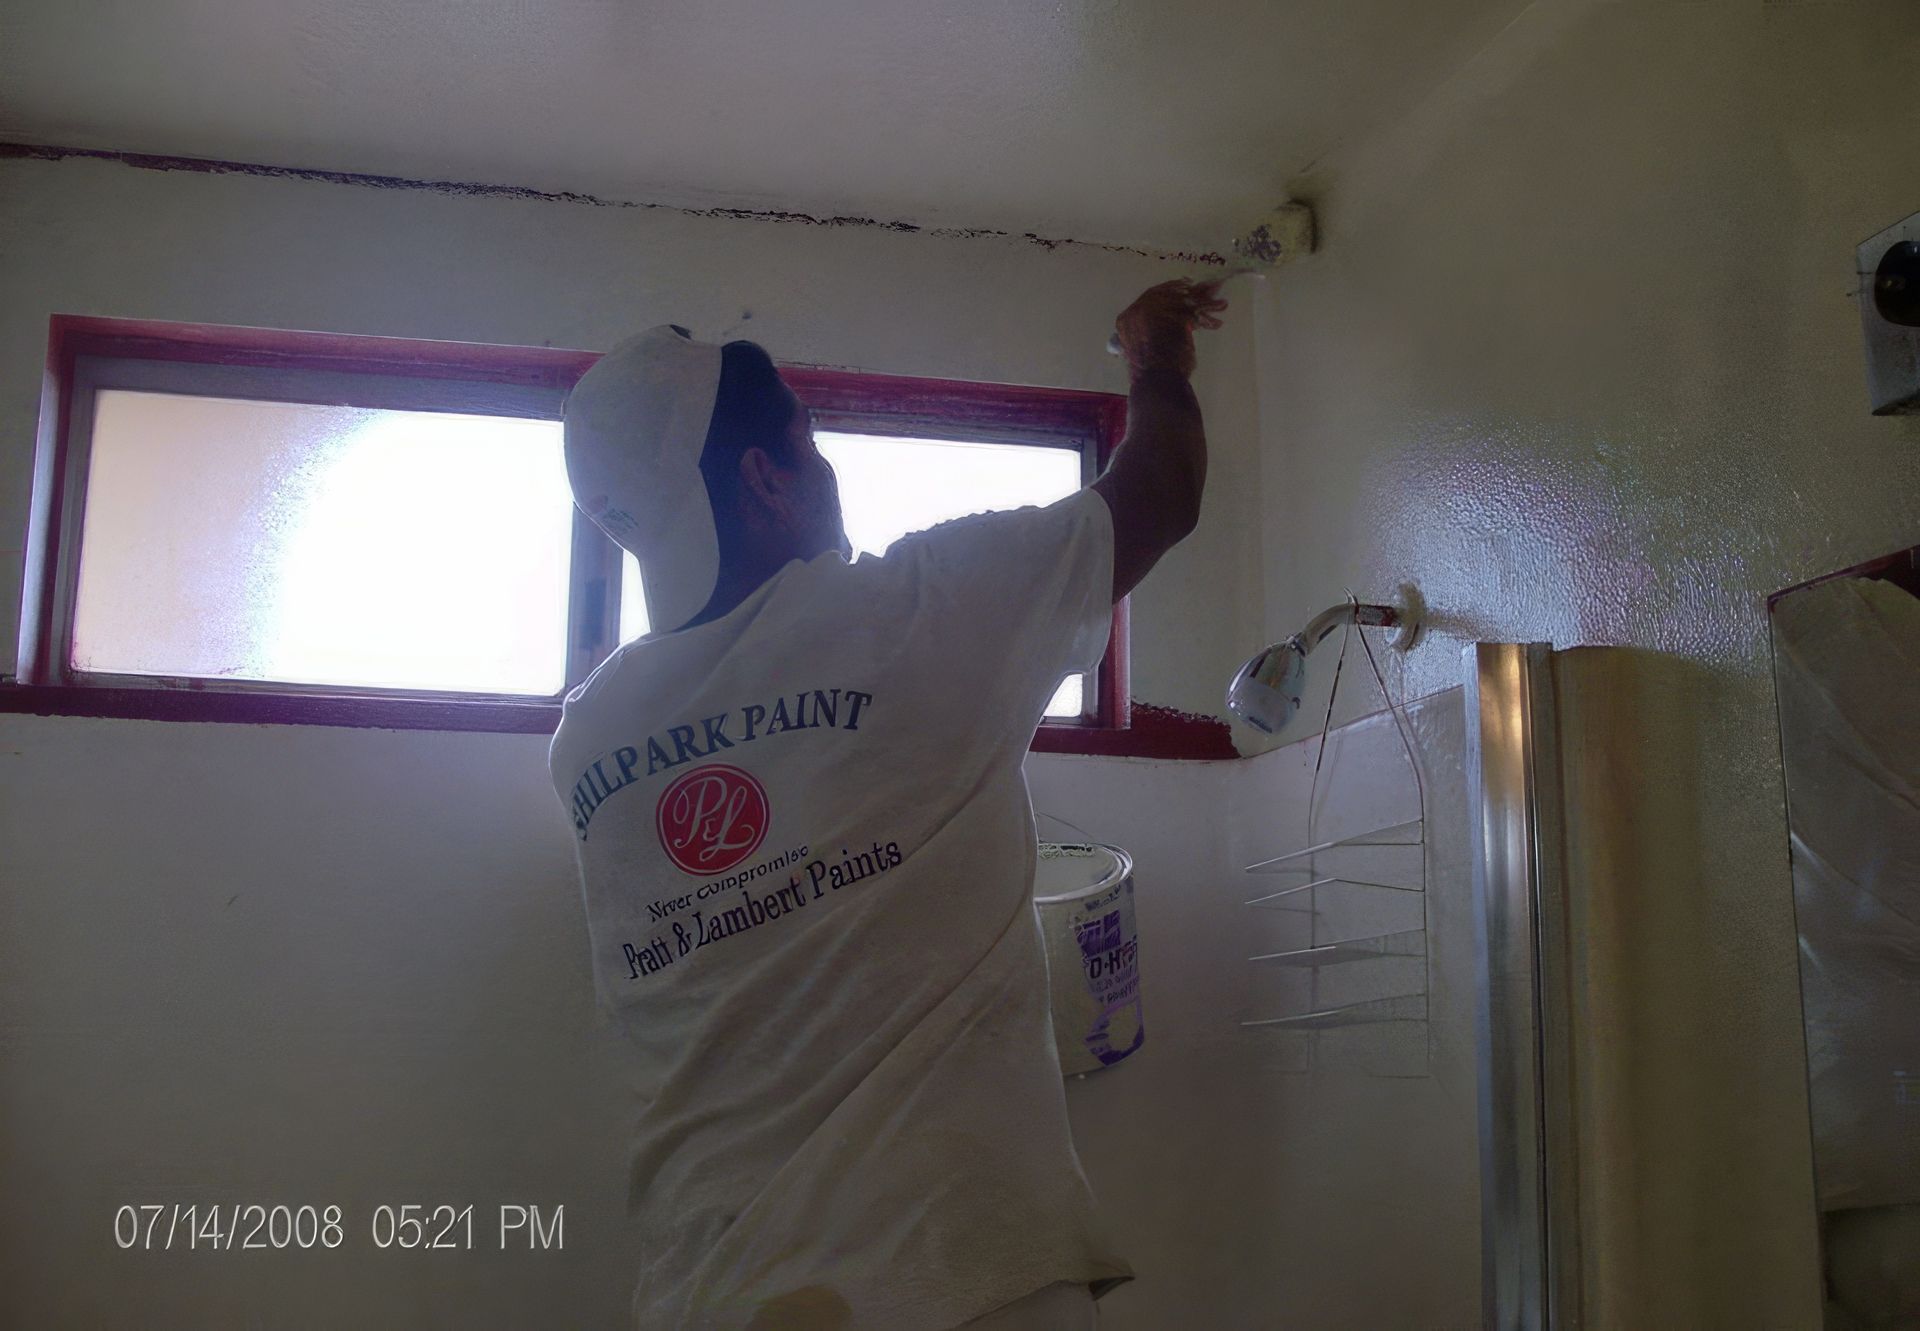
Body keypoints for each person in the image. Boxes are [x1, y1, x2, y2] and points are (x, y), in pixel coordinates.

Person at [548, 278, 1226, 1329]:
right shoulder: (905, 616)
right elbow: (1163, 489)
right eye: (812, 446)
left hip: (711, 1294)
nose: (828, 473)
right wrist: (1155, 352)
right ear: (767, 479)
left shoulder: (588, 739)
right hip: (953, 1275)